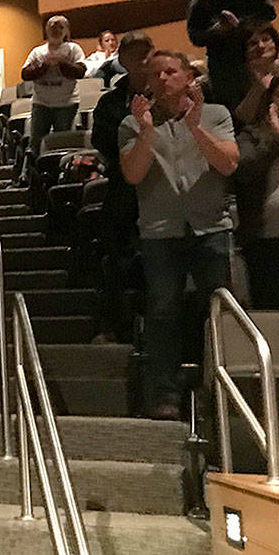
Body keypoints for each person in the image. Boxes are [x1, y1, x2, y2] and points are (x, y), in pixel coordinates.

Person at [119, 51, 237, 420]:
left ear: (189, 77)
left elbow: (227, 163)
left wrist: (196, 126)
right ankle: (164, 395)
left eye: (171, 71)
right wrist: (147, 132)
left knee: (218, 313)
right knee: (163, 312)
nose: (163, 78)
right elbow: (133, 175)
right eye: (155, 74)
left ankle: (221, 392)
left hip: (210, 228)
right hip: (160, 235)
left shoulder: (216, 114)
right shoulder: (133, 123)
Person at [89, 32, 154, 343]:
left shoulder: (168, 94)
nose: (143, 60)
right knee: (116, 262)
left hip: (162, 192)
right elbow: (104, 143)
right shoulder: (110, 102)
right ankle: (117, 327)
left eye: (148, 53)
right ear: (123, 61)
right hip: (123, 192)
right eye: (136, 54)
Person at [234, 69, 279, 309]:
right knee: (274, 314)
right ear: (270, 101)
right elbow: (244, 171)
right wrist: (277, 139)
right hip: (266, 242)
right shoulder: (253, 136)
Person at [187, 0, 276, 116]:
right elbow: (195, 37)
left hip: (252, 55)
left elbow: (269, 13)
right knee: (227, 109)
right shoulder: (199, 3)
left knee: (259, 103)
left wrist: (239, 24)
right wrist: (215, 32)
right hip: (221, 63)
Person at [16, 15, 87, 186]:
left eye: (60, 27)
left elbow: (80, 71)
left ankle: (60, 176)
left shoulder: (73, 49)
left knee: (61, 142)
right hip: (42, 103)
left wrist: (62, 63)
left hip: (66, 103)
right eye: (52, 27)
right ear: (46, 31)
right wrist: (44, 66)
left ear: (66, 31)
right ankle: (29, 176)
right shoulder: (38, 52)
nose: (56, 30)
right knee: (36, 142)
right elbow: (25, 74)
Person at [233, 23, 279, 128]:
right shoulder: (238, 77)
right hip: (251, 134)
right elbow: (243, 117)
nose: (261, 46)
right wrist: (259, 87)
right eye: (253, 43)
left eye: (265, 39)